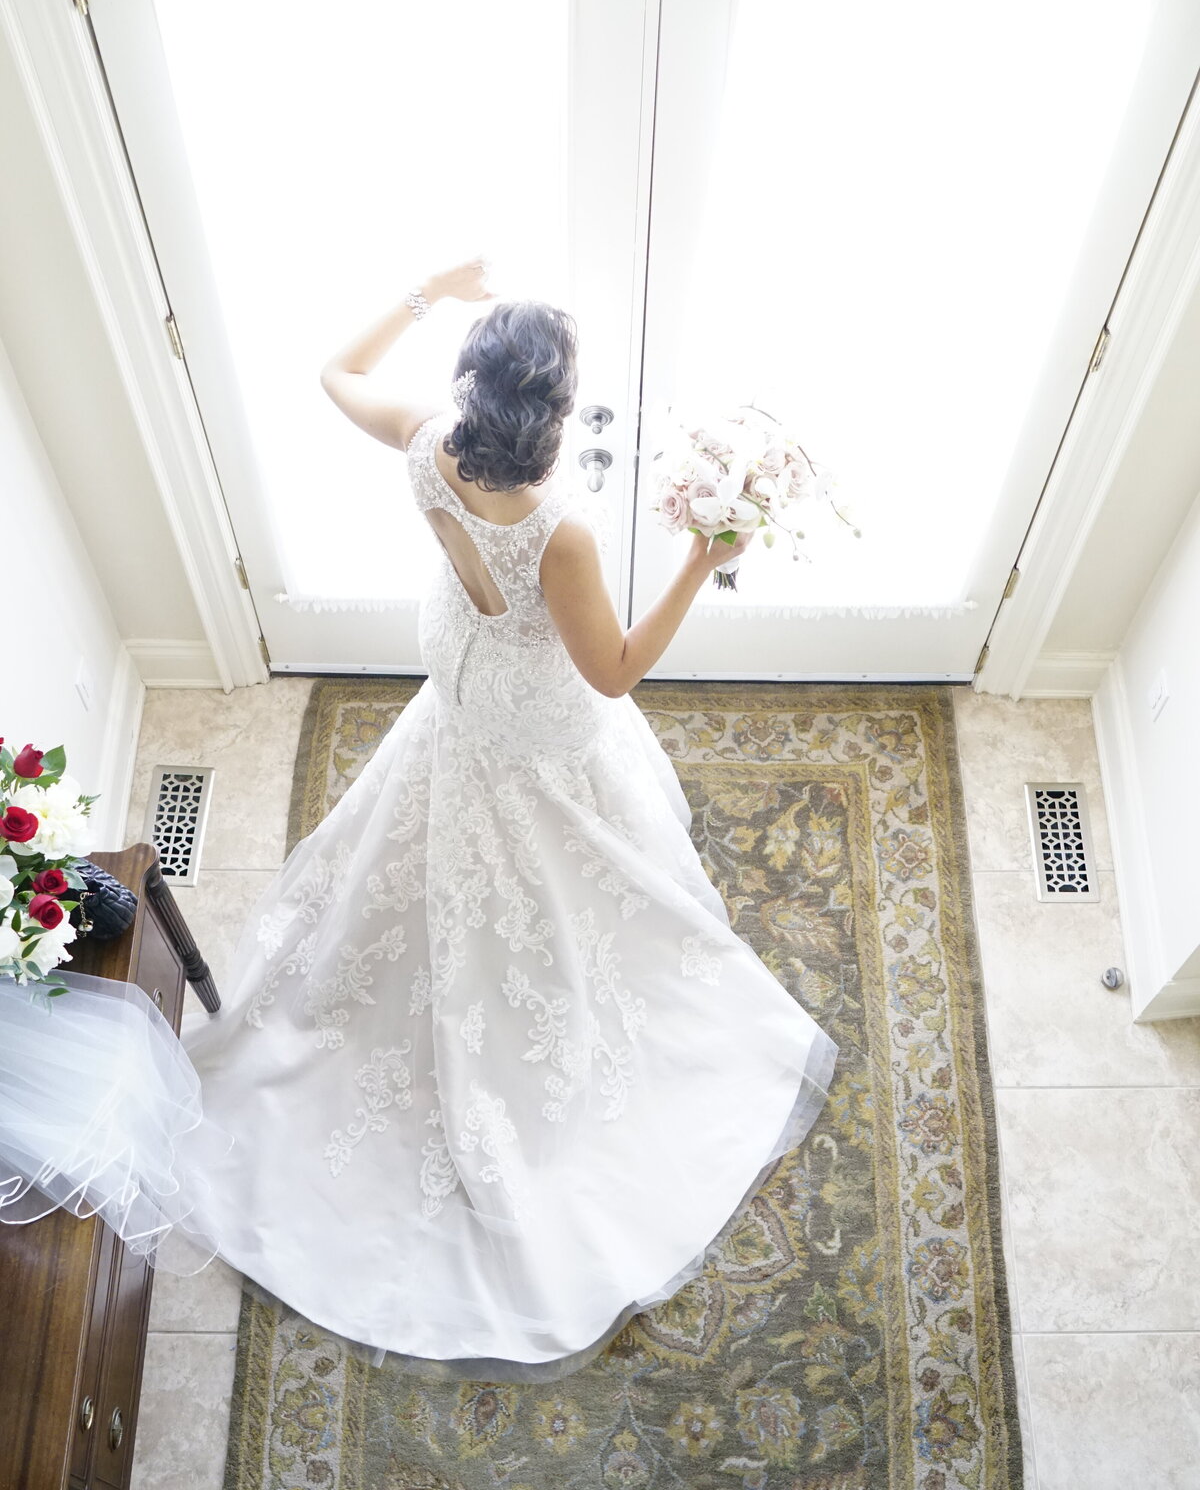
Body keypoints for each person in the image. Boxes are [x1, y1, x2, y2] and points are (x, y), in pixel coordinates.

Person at [0, 259, 839, 1387]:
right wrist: (702, 558)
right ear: (547, 421)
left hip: (461, 687)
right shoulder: (563, 534)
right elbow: (616, 675)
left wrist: (422, 291)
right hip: (534, 717)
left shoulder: (428, 440)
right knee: (576, 863)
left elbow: (334, 371)